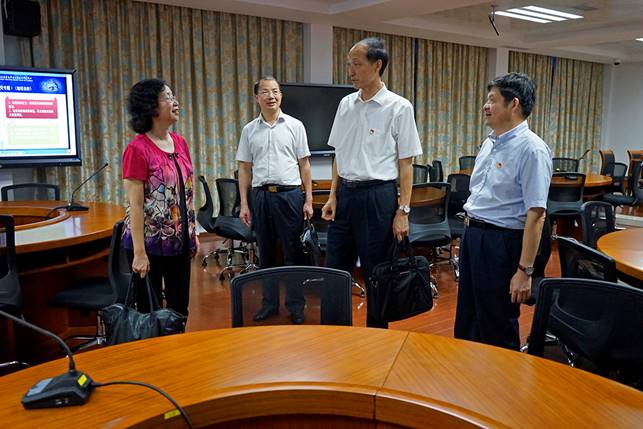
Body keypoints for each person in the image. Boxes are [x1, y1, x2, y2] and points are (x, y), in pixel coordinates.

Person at [321, 37, 422, 328]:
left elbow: (406, 164)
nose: (350, 71)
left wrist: (403, 211)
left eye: (356, 64)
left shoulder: (399, 107)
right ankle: (333, 333)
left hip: (378, 197)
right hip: (346, 194)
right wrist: (333, 195)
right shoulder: (346, 104)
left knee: (377, 272)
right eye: (348, 65)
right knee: (335, 270)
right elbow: (339, 154)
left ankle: (376, 337)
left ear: (377, 65)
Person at [454, 72, 552, 350]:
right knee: (468, 316)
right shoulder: (490, 142)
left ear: (514, 104)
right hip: (473, 236)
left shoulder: (532, 150)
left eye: (492, 100)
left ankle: (502, 377)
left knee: (496, 322)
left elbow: (537, 214)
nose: (486, 106)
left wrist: (525, 270)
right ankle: (466, 373)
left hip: (501, 243)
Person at [236, 76, 313, 324]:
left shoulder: (295, 126)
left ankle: (296, 306)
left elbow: (305, 164)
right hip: (260, 197)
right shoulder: (249, 130)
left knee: (293, 252)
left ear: (281, 95)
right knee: (266, 253)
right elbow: (244, 168)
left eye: (276, 91)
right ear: (256, 97)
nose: (271, 96)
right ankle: (269, 304)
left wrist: (308, 200)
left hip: (289, 196)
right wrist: (244, 203)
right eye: (266, 92)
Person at [122, 78, 198, 318]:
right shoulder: (137, 149)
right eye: (168, 97)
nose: (175, 102)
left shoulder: (180, 143)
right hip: (149, 244)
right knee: (149, 313)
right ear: (151, 106)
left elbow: (186, 193)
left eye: (174, 96)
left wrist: (192, 234)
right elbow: (135, 205)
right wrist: (139, 253)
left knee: (179, 309)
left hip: (179, 241)